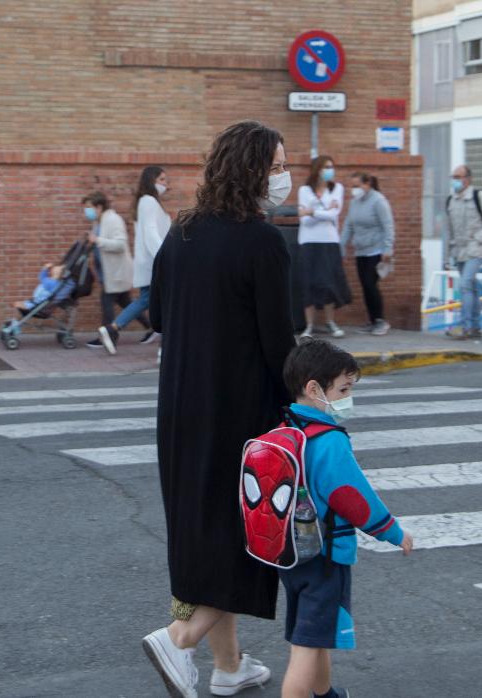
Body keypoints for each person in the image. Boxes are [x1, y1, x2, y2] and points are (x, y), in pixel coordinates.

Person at [143, 120, 296, 698]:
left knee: (202, 531)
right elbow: (278, 344)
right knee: (244, 535)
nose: (284, 177)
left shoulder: (182, 232)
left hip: (180, 406)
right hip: (241, 411)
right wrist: (308, 405)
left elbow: (157, 315)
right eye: (277, 167)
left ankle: (229, 668)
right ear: (254, 170)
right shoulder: (263, 243)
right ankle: (179, 642)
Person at [278, 339, 413, 698]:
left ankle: (325, 695)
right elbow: (353, 497)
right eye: (344, 389)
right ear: (314, 389)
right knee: (306, 648)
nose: (348, 397)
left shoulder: (286, 428)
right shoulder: (329, 440)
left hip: (289, 552)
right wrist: (392, 531)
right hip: (324, 557)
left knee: (313, 634)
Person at [95, 166, 170, 353]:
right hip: (154, 261)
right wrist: (165, 255)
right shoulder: (149, 202)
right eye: (162, 179)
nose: (165, 183)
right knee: (162, 301)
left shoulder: (146, 202)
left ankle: (113, 328)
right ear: (151, 181)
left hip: (149, 261)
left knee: (148, 299)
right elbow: (151, 232)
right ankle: (163, 344)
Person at [82, 191, 149, 353]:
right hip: (108, 273)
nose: (86, 211)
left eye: (89, 207)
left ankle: (108, 336)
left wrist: (97, 240)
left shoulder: (113, 220)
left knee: (107, 304)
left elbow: (120, 244)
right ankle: (151, 327)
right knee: (126, 302)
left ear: (99, 207)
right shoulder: (99, 222)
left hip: (116, 273)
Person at [444, 164, 482, 340]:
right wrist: (448, 254)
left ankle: (465, 325)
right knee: (472, 287)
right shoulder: (451, 200)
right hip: (459, 250)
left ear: (468, 179)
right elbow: (450, 229)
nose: (455, 180)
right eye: (453, 177)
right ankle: (475, 326)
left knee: (465, 284)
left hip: (476, 249)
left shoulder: (478, 196)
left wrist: (479, 238)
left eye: (458, 177)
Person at [297, 156, 351, 338]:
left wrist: (312, 210)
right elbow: (304, 221)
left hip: (330, 241)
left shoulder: (337, 189)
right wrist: (324, 211)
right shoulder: (304, 190)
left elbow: (334, 215)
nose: (330, 170)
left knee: (329, 283)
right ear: (317, 169)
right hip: (308, 241)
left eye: (332, 167)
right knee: (309, 283)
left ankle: (330, 322)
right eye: (327, 167)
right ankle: (309, 326)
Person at [339, 171, 395, 336]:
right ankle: (372, 321)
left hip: (376, 251)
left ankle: (380, 321)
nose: (353, 189)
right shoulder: (355, 202)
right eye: (352, 186)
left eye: (356, 186)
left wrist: (388, 248)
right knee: (365, 286)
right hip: (360, 251)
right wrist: (341, 247)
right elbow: (348, 226)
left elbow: (388, 226)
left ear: (367, 184)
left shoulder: (379, 201)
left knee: (371, 285)